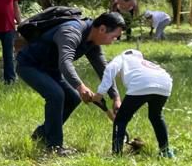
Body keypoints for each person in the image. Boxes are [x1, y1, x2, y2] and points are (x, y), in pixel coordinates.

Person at [17, 11, 125, 155]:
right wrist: (80, 86)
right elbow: (65, 62)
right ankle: (54, 147)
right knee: (56, 95)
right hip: (29, 65)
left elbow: (103, 69)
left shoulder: (92, 40)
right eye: (114, 36)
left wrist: (115, 97)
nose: (113, 41)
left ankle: (41, 135)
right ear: (102, 29)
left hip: (50, 69)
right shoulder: (71, 31)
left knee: (73, 99)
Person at [95, 47, 175, 157]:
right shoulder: (143, 62)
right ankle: (165, 151)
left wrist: (99, 94)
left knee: (120, 120)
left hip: (141, 83)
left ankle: (116, 154)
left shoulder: (122, 58)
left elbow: (110, 69)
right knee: (156, 116)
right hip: (165, 84)